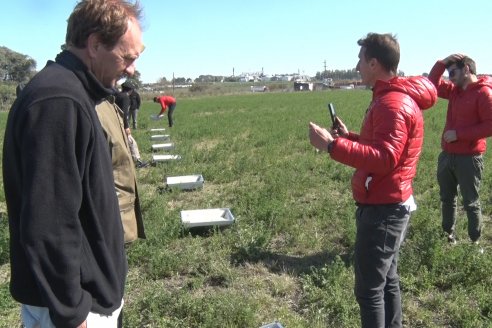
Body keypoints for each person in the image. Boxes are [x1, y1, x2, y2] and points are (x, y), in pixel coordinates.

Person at [2, 1, 145, 327]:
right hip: (73, 310)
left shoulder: (76, 92)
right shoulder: (59, 100)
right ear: (94, 45)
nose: (131, 70)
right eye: (128, 58)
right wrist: (71, 311)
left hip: (86, 299)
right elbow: (49, 223)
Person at [309, 33, 437, 328]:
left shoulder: (392, 104)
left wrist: (331, 146)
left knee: (369, 291)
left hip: (384, 208)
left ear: (375, 63)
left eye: (360, 60)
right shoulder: (389, 98)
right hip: (390, 202)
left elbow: (384, 158)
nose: (357, 67)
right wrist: (348, 137)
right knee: (387, 279)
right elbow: (380, 146)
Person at [428, 54, 492, 246]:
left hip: (469, 158)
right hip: (447, 156)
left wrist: (459, 134)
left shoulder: (483, 93)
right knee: (447, 199)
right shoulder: (455, 91)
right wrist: (441, 63)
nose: (449, 76)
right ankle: (448, 237)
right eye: (448, 73)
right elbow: (433, 85)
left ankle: (475, 242)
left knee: (471, 202)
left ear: (466, 69)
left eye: (452, 72)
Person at [96, 97, 146, 243]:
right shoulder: (93, 104)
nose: (130, 72)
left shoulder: (107, 102)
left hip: (121, 213)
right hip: (109, 218)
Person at [116, 84, 149, 168]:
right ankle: (137, 161)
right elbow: (124, 113)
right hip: (120, 123)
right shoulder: (125, 97)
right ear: (130, 90)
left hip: (114, 122)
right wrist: (126, 126)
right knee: (131, 142)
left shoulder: (118, 95)